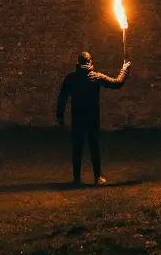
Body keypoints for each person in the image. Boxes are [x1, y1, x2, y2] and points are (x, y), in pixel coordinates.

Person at [56, 51, 131, 187]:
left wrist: (60, 116)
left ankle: (77, 179)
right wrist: (124, 70)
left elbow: (62, 98)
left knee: (77, 148)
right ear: (90, 62)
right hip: (92, 117)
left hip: (77, 117)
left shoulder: (71, 78)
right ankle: (97, 178)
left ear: (78, 63)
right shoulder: (95, 77)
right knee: (94, 146)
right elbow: (117, 83)